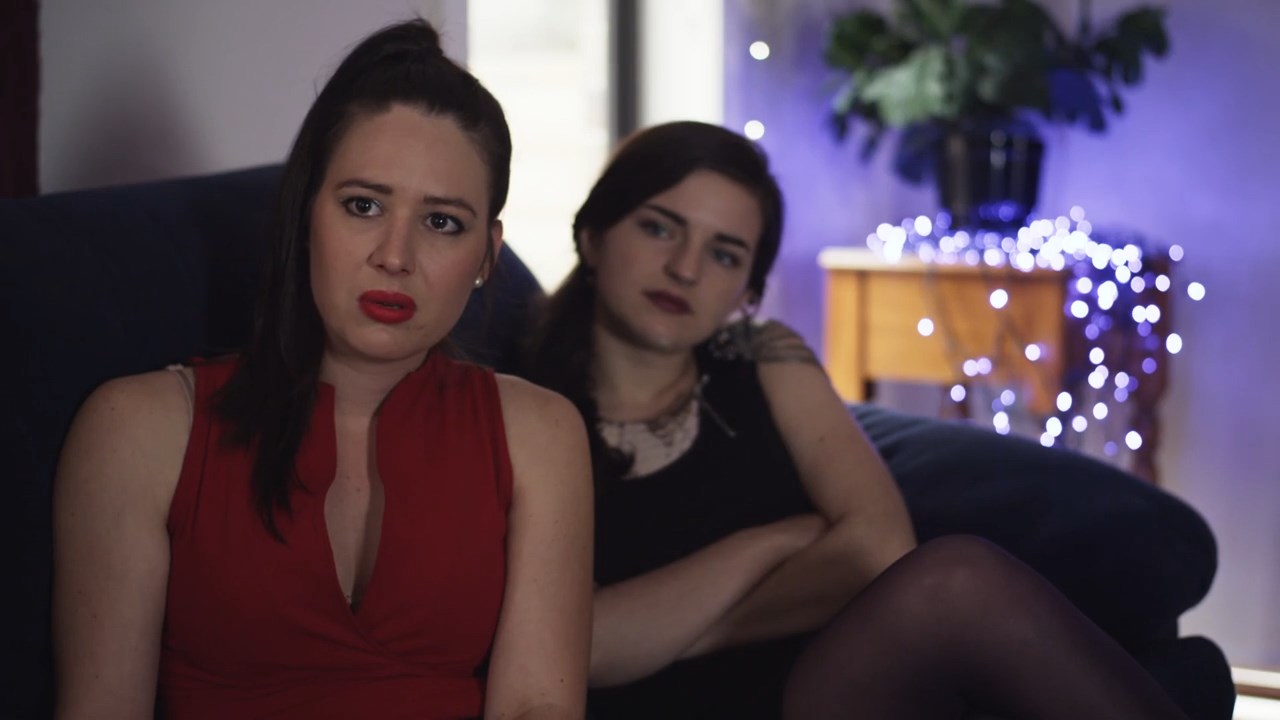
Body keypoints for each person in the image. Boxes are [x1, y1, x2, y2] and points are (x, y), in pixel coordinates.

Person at [524, 120, 1188, 719]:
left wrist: (670, 631)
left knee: (958, 575)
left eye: (724, 254)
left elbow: (877, 547)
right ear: (593, 234)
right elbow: (587, 646)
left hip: (832, 675)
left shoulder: (766, 356)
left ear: (747, 292)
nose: (685, 268)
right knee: (957, 580)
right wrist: (773, 543)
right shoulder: (527, 407)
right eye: (659, 228)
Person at [52, 19, 592, 720]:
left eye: (442, 222)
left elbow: (536, 707)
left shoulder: (540, 435)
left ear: (488, 255)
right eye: (363, 206)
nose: (395, 256)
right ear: (304, 215)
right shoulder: (138, 429)